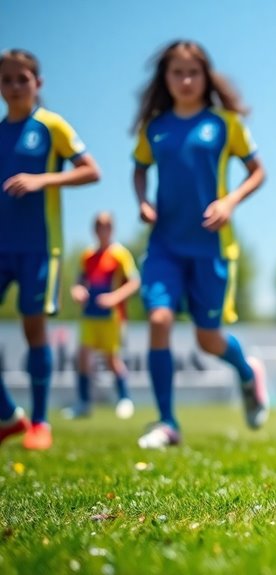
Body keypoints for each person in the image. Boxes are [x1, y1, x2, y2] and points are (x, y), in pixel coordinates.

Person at [131, 40, 268, 449]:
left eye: (193, 72)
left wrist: (229, 201)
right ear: (165, 78)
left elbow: (258, 171)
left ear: (206, 76)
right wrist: (142, 201)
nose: (186, 80)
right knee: (158, 321)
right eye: (177, 72)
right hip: (164, 247)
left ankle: (247, 372)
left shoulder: (225, 123)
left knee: (208, 340)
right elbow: (138, 170)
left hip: (212, 247)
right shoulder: (154, 128)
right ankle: (167, 422)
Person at [0, 49, 101, 450]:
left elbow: (92, 170)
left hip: (39, 247)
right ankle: (9, 416)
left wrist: (42, 180)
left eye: (22, 79)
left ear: (37, 83)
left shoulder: (51, 126)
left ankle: (40, 423)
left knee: (33, 328)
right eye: (6, 80)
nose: (14, 87)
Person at [64, 212, 140, 420]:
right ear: (94, 229)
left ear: (112, 229)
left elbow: (134, 282)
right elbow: (80, 281)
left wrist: (114, 297)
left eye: (106, 225)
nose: (103, 229)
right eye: (99, 225)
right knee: (83, 357)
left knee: (111, 359)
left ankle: (125, 399)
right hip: (89, 315)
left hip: (112, 317)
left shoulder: (120, 254)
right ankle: (83, 403)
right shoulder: (87, 255)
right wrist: (77, 290)